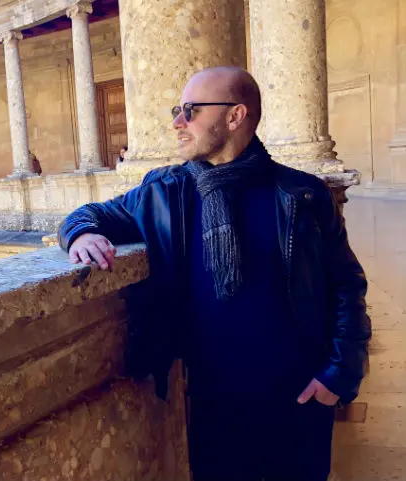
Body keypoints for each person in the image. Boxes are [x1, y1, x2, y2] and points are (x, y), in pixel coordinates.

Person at [58, 67, 371, 481]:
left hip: (300, 399)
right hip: (213, 406)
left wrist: (339, 373)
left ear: (235, 116)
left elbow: (347, 285)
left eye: (190, 111)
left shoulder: (303, 195)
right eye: (176, 111)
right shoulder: (165, 193)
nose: (177, 123)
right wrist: (81, 235)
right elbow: (87, 215)